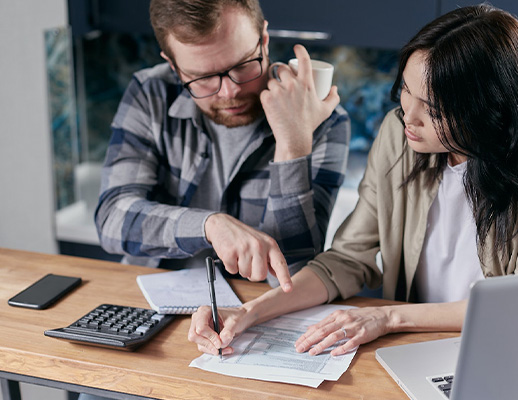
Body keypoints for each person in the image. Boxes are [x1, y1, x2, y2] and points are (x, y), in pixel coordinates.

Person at [188, 4, 518, 358]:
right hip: (411, 347)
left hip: (501, 349)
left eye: (432, 109)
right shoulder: (399, 134)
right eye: (406, 92)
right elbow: (346, 259)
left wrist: (389, 318)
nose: (407, 116)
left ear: (485, 110)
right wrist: (250, 312)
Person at [94, 0, 351, 290]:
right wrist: (209, 226)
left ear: (263, 41)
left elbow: (294, 274)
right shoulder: (151, 93)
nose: (231, 92)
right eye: (202, 77)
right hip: (152, 296)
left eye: (242, 66)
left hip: (259, 310)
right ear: (174, 66)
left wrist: (292, 146)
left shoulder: (323, 119)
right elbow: (112, 219)